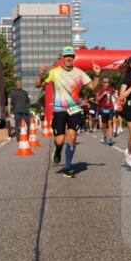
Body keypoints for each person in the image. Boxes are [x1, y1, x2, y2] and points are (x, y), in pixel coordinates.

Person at [36, 47, 102, 177]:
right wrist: (40, 74)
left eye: (71, 56)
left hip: (75, 110)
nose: (68, 58)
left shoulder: (79, 73)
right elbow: (38, 85)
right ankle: (58, 150)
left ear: (73, 58)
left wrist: (97, 75)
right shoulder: (54, 72)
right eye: (66, 56)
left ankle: (67, 166)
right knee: (60, 140)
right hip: (59, 110)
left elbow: (93, 86)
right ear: (62, 58)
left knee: (71, 138)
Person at [96, 78, 116, 145]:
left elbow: (115, 96)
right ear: (103, 83)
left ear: (109, 83)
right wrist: (103, 94)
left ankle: (110, 139)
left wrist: (118, 99)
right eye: (105, 82)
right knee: (104, 125)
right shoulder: (100, 90)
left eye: (108, 82)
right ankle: (105, 137)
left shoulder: (111, 89)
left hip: (110, 108)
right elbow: (97, 99)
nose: (106, 83)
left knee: (110, 123)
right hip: (103, 109)